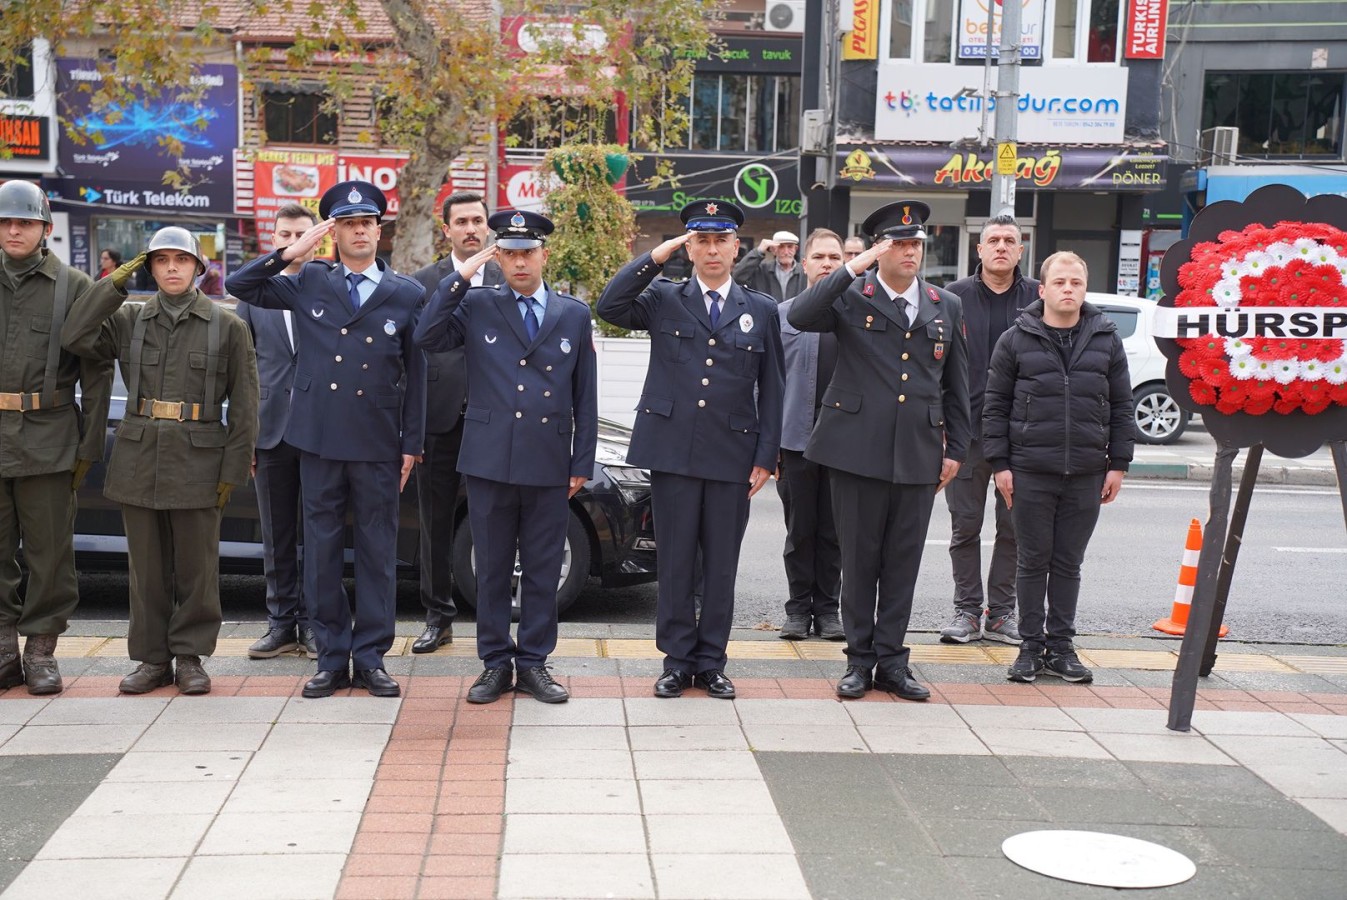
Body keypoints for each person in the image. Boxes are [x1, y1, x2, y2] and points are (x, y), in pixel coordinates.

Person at [225, 180, 426, 700]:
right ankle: (333, 658)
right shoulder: (310, 280)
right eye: (348, 224)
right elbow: (240, 284)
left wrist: (412, 442)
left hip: (378, 441)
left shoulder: (406, 293)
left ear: (379, 231)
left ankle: (373, 657)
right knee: (322, 553)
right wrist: (289, 253)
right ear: (332, 231)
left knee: (379, 552)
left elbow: (418, 373)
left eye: (367, 223)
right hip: (317, 439)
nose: (359, 232)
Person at [597, 200, 784, 700]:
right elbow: (609, 305)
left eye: (721, 240)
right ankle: (677, 662)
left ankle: (712, 661)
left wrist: (767, 456)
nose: (712, 249)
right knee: (676, 560)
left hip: (732, 455)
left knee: (721, 563)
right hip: (672, 450)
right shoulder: (663, 297)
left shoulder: (760, 310)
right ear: (689, 247)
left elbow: (773, 387)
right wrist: (654, 257)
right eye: (701, 240)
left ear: (736, 246)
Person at [61, 227, 258, 695]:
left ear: (198, 267)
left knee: (197, 567)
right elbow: (75, 334)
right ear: (149, 267)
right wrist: (112, 283)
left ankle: (189, 658)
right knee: (145, 569)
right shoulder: (128, 319)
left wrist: (235, 467)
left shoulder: (226, 325)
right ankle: (151, 659)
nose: (172, 267)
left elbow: (247, 403)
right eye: (161, 259)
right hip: (139, 454)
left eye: (182, 259)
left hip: (199, 458)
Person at [788, 201, 970, 702]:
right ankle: (858, 660)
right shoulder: (851, 295)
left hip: (917, 452)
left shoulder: (944, 304)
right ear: (879, 248)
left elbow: (957, 384)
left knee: (902, 564)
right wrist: (854, 265)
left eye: (916, 244)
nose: (910, 252)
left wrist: (956, 448)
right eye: (899, 244)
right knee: (860, 561)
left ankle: (892, 662)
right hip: (855, 451)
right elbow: (802, 315)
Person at [414, 210, 596, 705]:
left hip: (548, 458)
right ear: (499, 256)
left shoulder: (573, 314)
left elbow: (586, 395)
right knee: (491, 567)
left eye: (527, 252)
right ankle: (495, 662)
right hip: (490, 457)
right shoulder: (477, 304)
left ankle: (534, 662)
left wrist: (582, 461)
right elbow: (426, 335)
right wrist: (464, 274)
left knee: (540, 567)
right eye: (509, 253)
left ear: (544, 255)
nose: (519, 262)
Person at [983, 251, 1133, 685]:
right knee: (1031, 560)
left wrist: (1118, 464)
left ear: (1085, 290)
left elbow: (1122, 406)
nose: (1069, 289)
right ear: (1042, 289)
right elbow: (995, 407)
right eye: (1061, 282)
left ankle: (1061, 647)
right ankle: (1030, 648)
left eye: (1077, 283)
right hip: (1029, 470)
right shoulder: (1015, 339)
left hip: (1087, 471)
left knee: (1068, 562)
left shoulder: (1106, 337)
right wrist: (1000, 465)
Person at [0, 181, 113, 695]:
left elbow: (97, 371)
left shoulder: (74, 287)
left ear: (46, 229)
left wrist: (90, 445)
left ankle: (41, 651)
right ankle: (3, 650)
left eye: (24, 222)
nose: (13, 230)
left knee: (50, 554)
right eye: (5, 222)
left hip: (48, 438)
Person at [408, 191, 505, 655]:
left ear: (488, 227)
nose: (471, 228)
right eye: (461, 221)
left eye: (478, 220)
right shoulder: (424, 282)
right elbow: (410, 355)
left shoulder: (511, 276)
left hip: (496, 420)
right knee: (435, 523)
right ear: (445, 229)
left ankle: (494, 623)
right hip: (438, 419)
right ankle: (437, 617)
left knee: (494, 523)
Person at [940, 214, 1038, 645]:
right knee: (965, 527)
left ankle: (1001, 614)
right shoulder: (951, 298)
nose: (1001, 246)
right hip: (965, 435)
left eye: (1009, 241)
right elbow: (936, 364)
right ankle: (966, 610)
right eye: (992, 240)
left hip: (1023, 438)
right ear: (978, 249)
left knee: (1014, 527)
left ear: (1021, 250)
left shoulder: (1038, 298)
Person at [239, 203, 319, 660]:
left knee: (318, 535)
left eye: (300, 234)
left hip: (318, 431)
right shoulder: (253, 296)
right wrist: (245, 434)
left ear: (315, 239)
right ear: (274, 239)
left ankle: (311, 623)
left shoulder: (327, 287)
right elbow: (243, 370)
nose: (293, 242)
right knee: (277, 534)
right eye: (284, 234)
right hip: (269, 433)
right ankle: (279, 624)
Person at [775, 229, 844, 642]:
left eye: (835, 257)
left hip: (843, 443)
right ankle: (798, 610)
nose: (827, 264)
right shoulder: (782, 314)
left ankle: (829, 611)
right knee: (800, 531)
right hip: (794, 440)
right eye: (819, 256)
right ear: (804, 264)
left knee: (834, 532)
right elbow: (764, 384)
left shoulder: (859, 315)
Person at [732, 229, 805, 302]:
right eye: (781, 247)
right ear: (773, 250)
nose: (786, 252)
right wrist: (758, 252)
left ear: (795, 249)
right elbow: (737, 276)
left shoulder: (804, 272)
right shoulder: (761, 271)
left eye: (790, 247)